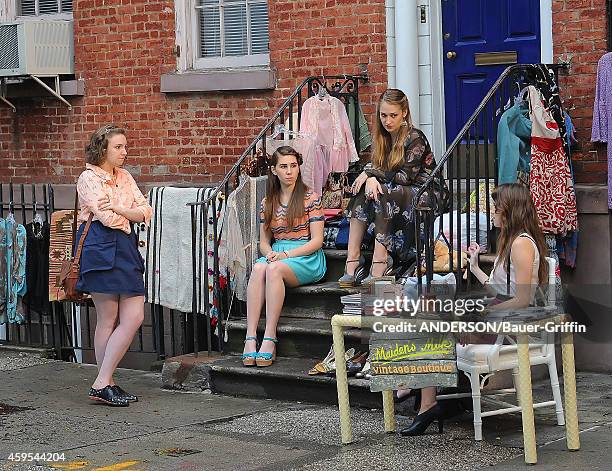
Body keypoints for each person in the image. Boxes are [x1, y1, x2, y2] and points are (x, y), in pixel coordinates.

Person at [400, 183, 548, 436]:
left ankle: (421, 394)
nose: (492, 213)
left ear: (510, 211)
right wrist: (477, 266)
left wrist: (482, 314)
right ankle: (423, 394)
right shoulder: (511, 241)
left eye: (496, 208)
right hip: (499, 314)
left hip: (508, 324)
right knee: (428, 312)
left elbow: (523, 299)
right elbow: (500, 290)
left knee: (430, 321)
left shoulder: (522, 244)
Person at [77, 125, 152, 407]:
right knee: (107, 318)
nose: (124, 152)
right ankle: (105, 382)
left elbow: (145, 211)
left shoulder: (125, 176)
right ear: (103, 149)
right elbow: (107, 220)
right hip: (100, 247)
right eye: (118, 147)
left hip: (126, 247)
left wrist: (121, 209)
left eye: (125, 146)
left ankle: (102, 382)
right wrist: (127, 213)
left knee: (133, 316)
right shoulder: (88, 178)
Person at [338, 89, 444, 287]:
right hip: (397, 189)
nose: (388, 121)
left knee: (383, 191)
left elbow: (405, 177)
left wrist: (371, 174)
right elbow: (378, 167)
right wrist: (370, 176)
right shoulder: (383, 138)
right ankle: (352, 261)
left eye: (393, 115)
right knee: (366, 190)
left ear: (404, 112)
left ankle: (381, 260)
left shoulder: (415, 137)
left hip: (425, 192)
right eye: (383, 115)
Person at [242, 146, 326, 367]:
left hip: (306, 256)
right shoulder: (267, 202)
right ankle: (250, 337)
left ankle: (270, 337)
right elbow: (263, 242)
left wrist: (285, 254)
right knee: (260, 267)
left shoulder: (310, 197)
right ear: (274, 170)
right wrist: (270, 253)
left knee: (273, 269)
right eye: (284, 166)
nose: (289, 171)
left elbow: (317, 241)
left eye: (293, 166)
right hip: (278, 254)